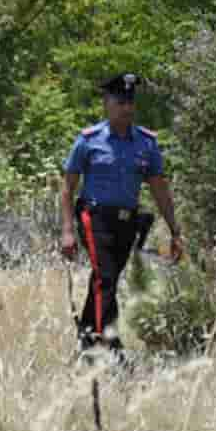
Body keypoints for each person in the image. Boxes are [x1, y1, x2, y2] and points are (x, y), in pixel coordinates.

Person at [60, 73, 182, 354]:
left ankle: (87, 336)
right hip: (94, 217)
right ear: (106, 103)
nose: (126, 108)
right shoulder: (89, 140)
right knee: (105, 277)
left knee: (107, 280)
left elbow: (160, 190)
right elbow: (67, 188)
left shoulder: (146, 143)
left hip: (128, 223)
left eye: (130, 102)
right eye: (120, 102)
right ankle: (108, 345)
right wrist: (67, 230)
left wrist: (175, 230)